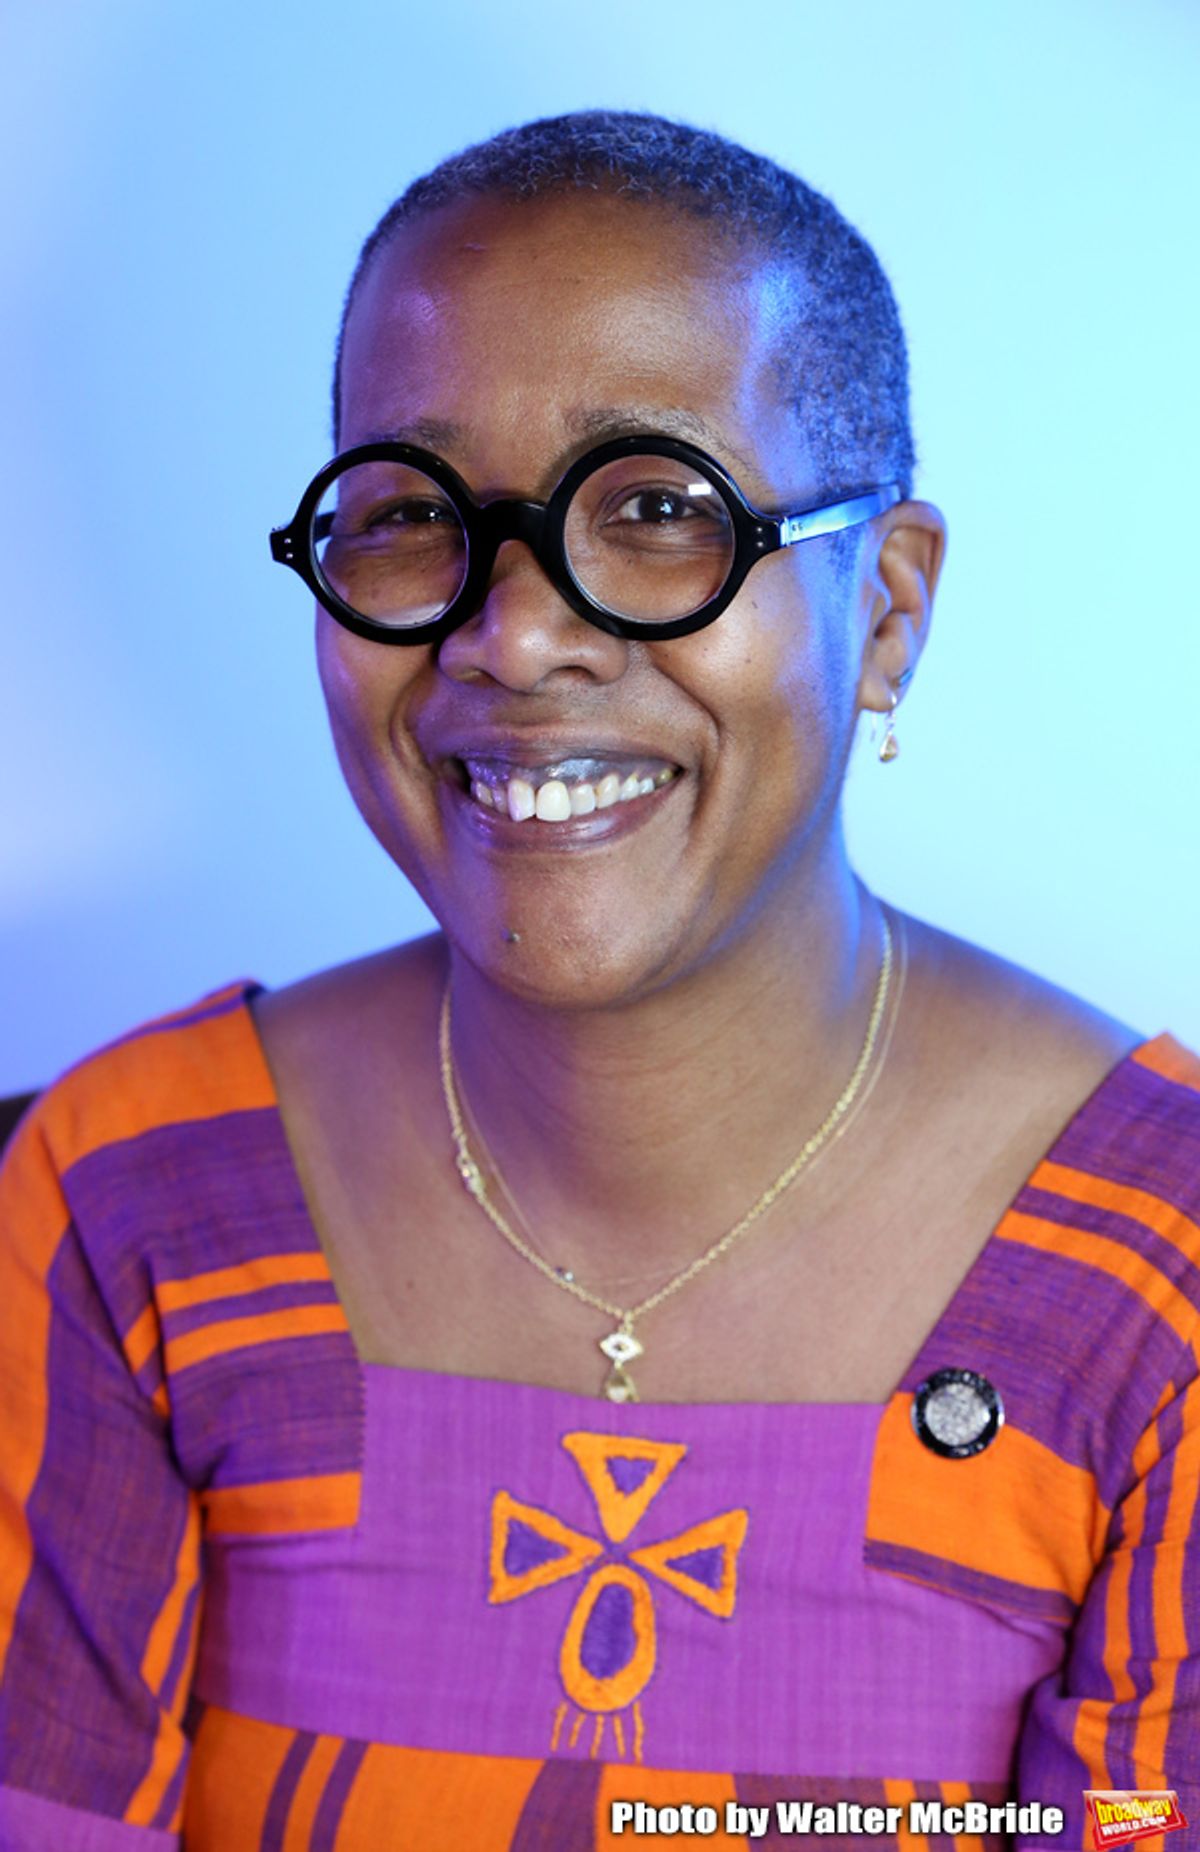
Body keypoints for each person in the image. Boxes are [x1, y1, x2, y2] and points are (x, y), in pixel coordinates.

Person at [1, 110, 1197, 1852]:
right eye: (412, 516)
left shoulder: (1158, 1272)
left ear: (887, 609)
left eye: (655, 509)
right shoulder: (130, 1202)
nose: (515, 631)